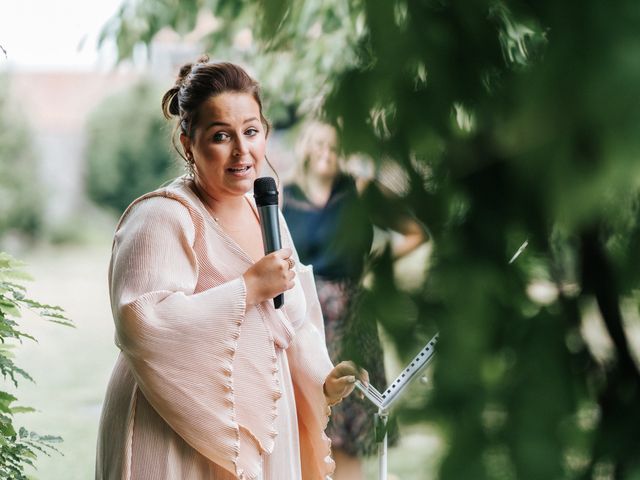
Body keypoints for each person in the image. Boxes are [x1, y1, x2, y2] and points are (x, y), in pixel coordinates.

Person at [95, 57, 367, 480]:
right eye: (221, 135)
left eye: (251, 131)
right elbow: (142, 323)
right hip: (176, 433)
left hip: (262, 425)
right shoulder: (162, 217)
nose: (242, 150)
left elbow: (291, 323)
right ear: (189, 143)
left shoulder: (265, 215)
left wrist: (324, 378)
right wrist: (246, 288)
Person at [283, 120, 426, 480]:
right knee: (305, 421)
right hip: (304, 321)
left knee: (348, 425)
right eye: (318, 144)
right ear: (304, 147)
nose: (326, 152)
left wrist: (379, 270)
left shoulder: (360, 190)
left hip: (352, 318)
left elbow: (414, 232)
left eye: (333, 145)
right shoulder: (284, 198)